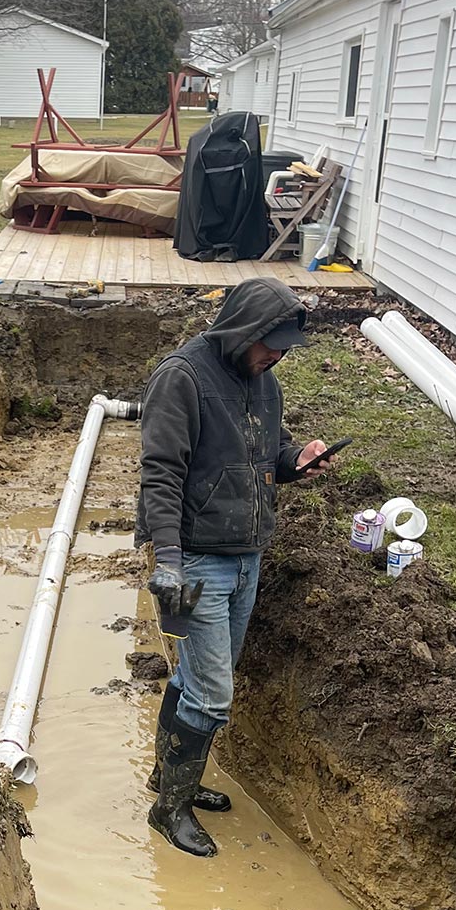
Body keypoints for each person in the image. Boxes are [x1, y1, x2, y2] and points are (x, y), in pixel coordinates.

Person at [138, 278, 332, 857]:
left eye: (282, 348)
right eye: (270, 344)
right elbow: (162, 473)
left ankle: (170, 779)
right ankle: (168, 810)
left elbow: (265, 451)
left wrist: (295, 460)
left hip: (247, 556)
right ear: (242, 331)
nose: (276, 356)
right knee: (213, 693)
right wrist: (167, 561)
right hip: (196, 562)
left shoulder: (262, 381)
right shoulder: (183, 377)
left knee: (194, 680)